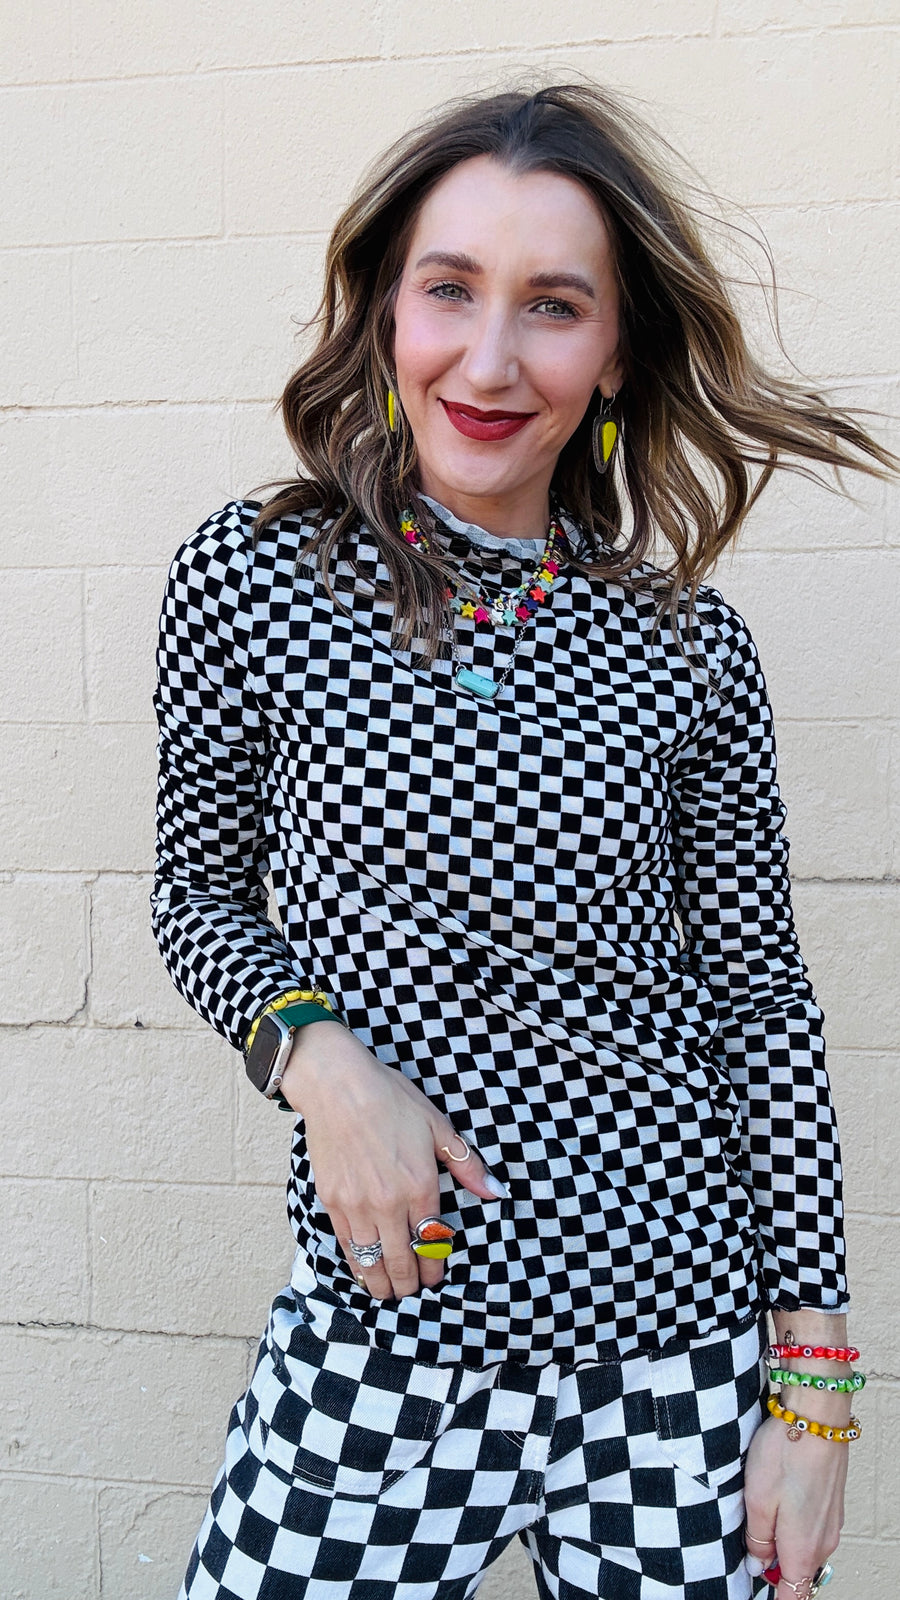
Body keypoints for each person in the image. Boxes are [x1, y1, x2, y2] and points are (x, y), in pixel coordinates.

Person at [152, 84, 892, 1600]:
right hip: (391, 1342)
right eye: (450, 291)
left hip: (675, 1360)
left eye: (552, 307)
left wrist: (813, 1391)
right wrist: (318, 1054)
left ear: (614, 350)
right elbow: (197, 894)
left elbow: (760, 1004)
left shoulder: (687, 646)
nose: (489, 362)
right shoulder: (251, 580)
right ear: (384, 311)